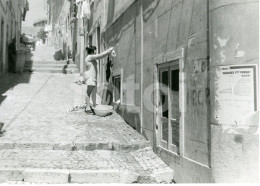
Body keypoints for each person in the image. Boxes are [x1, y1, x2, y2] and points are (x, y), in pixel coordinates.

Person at [83, 46, 114, 112]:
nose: (96, 52)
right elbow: (100, 56)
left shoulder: (92, 58)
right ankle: (87, 107)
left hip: (93, 77)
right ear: (92, 51)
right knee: (88, 92)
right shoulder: (89, 57)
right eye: (95, 51)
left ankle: (94, 106)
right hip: (90, 77)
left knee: (94, 92)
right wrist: (108, 51)